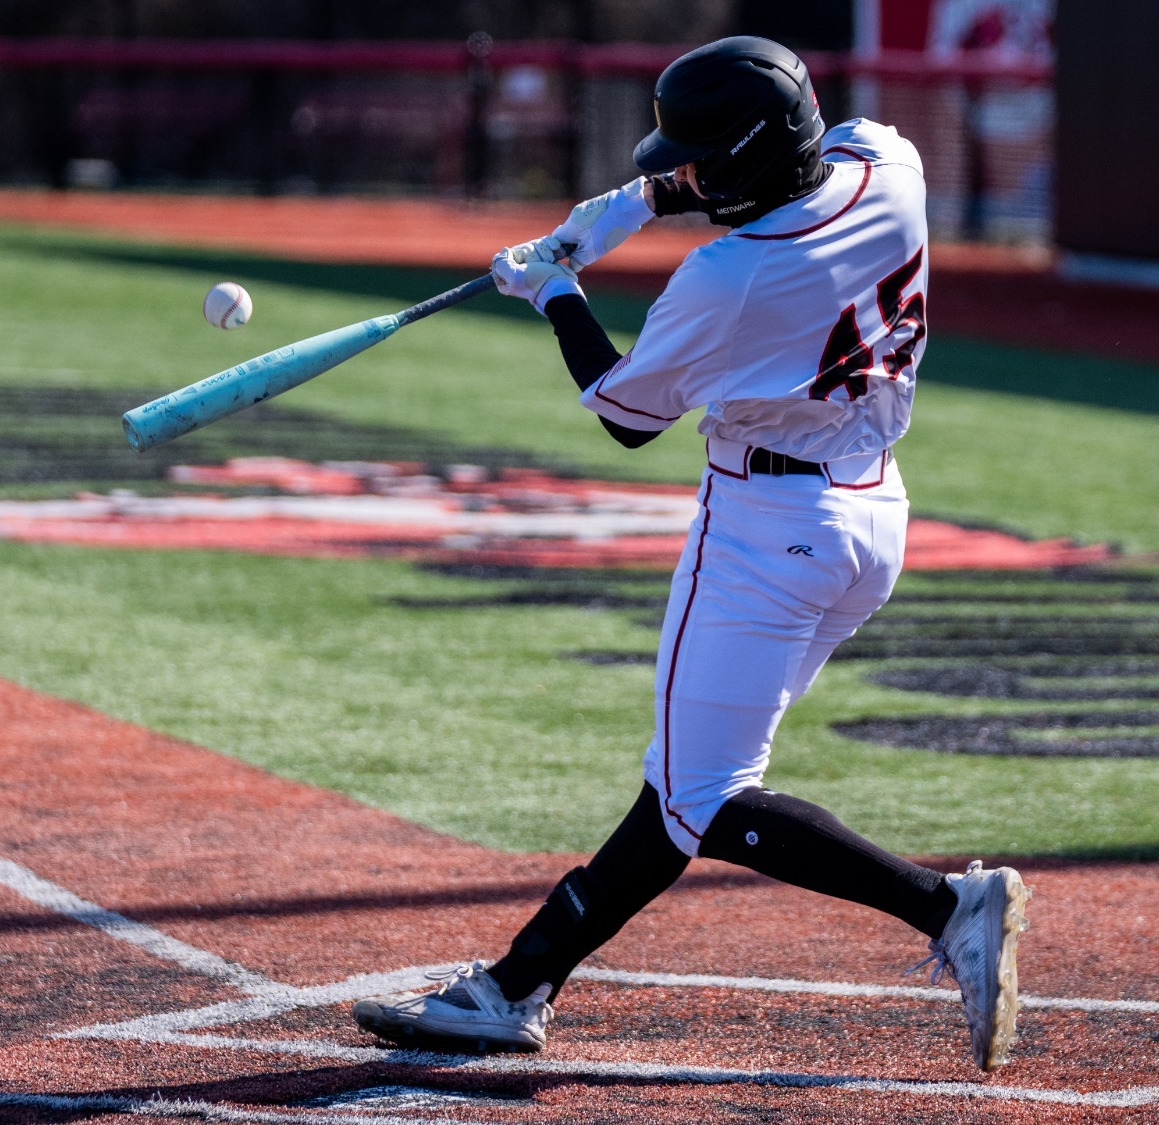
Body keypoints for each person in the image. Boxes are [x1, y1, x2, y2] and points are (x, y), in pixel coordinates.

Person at [349, 37, 1031, 1072]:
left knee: (702, 797)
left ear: (753, 156)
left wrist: (553, 290)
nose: (691, 176)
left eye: (708, 161)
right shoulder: (890, 166)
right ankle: (516, 982)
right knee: (689, 780)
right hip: (869, 514)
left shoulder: (735, 277)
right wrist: (624, 210)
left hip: (766, 534)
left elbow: (625, 413)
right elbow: (813, 151)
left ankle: (944, 907)